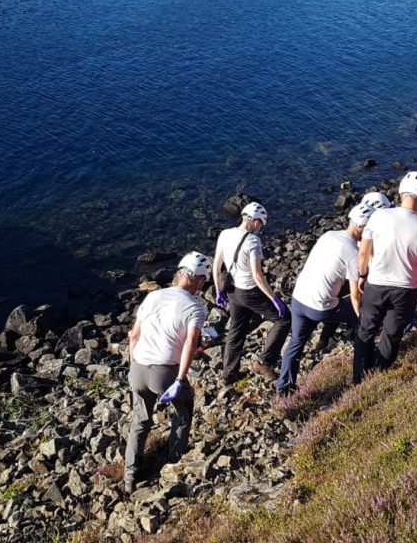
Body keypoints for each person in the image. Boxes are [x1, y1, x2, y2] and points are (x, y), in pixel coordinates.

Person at [122, 251, 209, 493]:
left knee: (140, 421)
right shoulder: (195, 307)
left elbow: (134, 335)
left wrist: (133, 364)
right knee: (183, 410)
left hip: (138, 368)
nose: (203, 285)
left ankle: (130, 476)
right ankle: (173, 462)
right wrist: (180, 379)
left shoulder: (154, 296)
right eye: (203, 280)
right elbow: (190, 343)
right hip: (165, 373)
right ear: (196, 279)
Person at [276, 203, 374, 394]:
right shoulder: (353, 252)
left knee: (296, 342)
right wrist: (361, 318)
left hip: (299, 299)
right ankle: (363, 369)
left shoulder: (329, 235)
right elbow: (355, 295)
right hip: (321, 306)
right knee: (361, 320)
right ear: (363, 228)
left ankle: (284, 388)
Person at [354, 171, 417, 384]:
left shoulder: (378, 217)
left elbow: (363, 253)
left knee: (366, 330)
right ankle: (377, 376)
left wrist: (362, 275)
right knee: (391, 335)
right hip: (407, 290)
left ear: (401, 194)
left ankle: (358, 378)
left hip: (376, 284)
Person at [213, 202, 291, 383]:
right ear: (255, 221)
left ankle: (228, 374)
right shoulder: (253, 241)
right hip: (250, 292)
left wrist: (219, 291)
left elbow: (217, 266)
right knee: (284, 319)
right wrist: (274, 299)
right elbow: (257, 275)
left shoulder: (225, 234)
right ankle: (265, 362)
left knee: (236, 331)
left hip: (232, 291)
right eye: (261, 223)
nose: (260, 227)